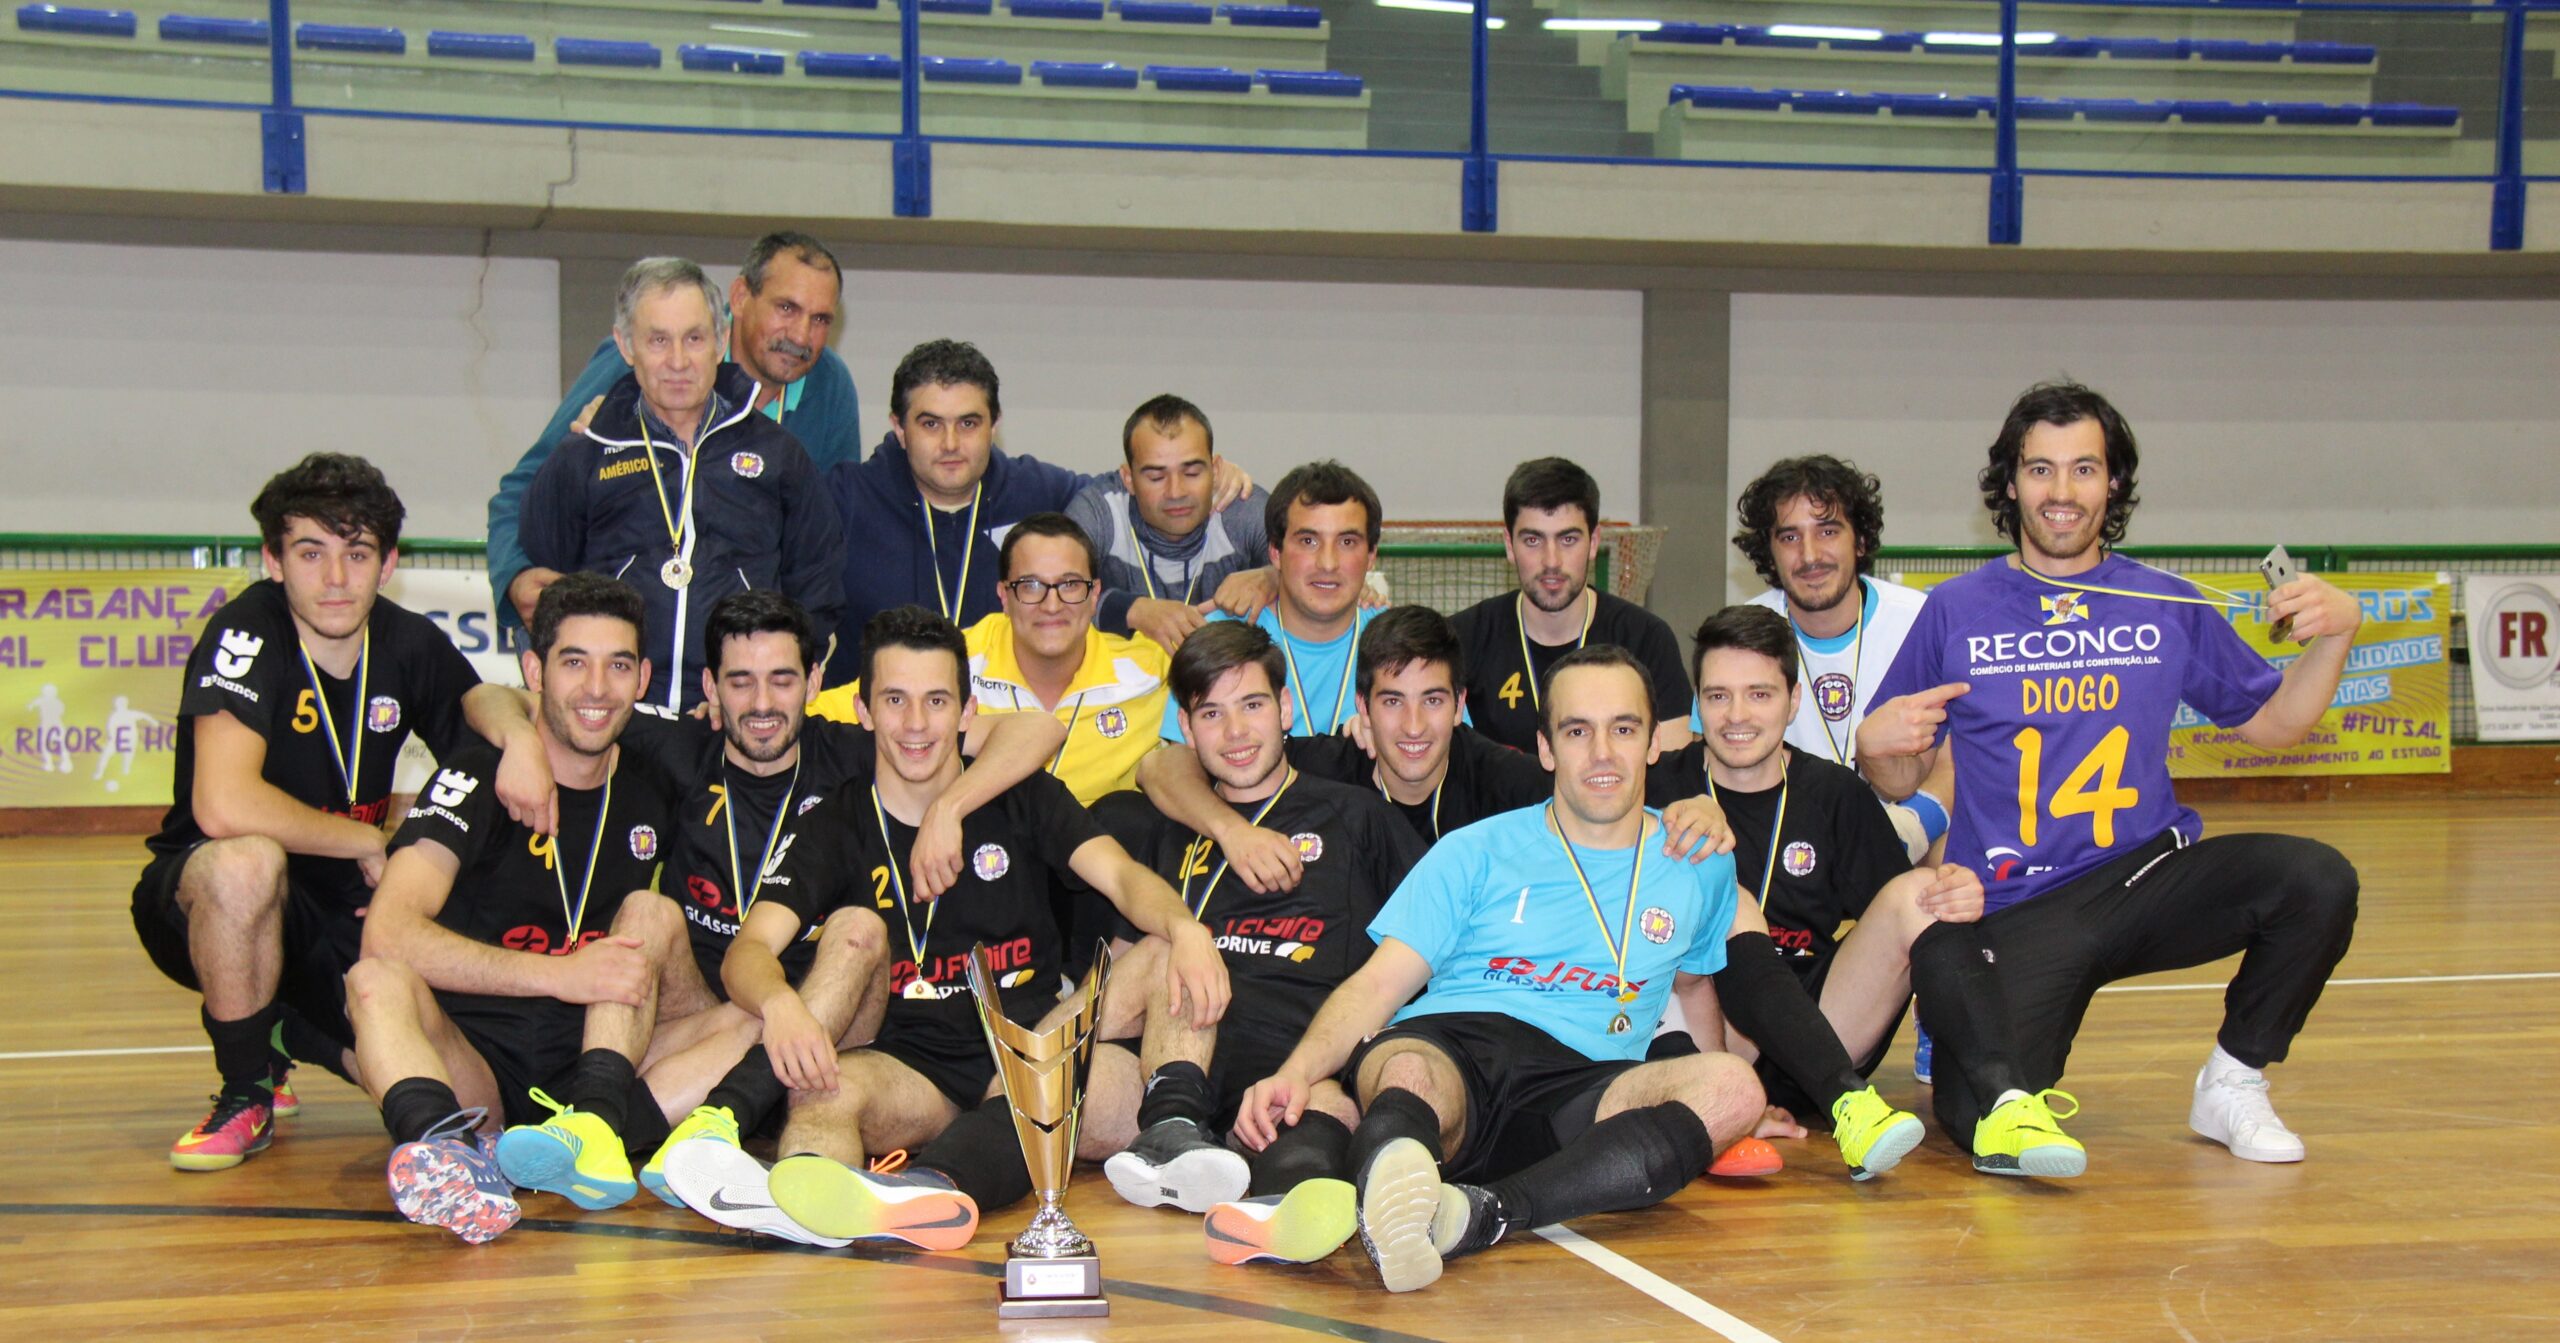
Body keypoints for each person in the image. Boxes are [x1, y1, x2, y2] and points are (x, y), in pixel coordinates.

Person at [1234, 647, 1922, 1293]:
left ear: (1656, 742)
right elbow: (1378, 985)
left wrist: (1725, 1114)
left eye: (1623, 729)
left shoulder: (1697, 861)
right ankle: (1387, 1176)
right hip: (1455, 1048)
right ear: (1544, 747)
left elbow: (1693, 985)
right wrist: (1295, 1073)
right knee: (1405, 1071)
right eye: (1577, 731)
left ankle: (1481, 1212)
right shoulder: (1474, 850)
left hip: (1584, 1084)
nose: (1601, 753)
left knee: (1732, 1086)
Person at [1860, 380, 2363, 1171]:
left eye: (2084, 469)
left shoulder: (2165, 601)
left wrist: (2335, 638)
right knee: (1971, 1112)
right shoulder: (1955, 609)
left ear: (2114, 482)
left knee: (2316, 879)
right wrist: (1876, 743)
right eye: (2041, 470)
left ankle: (2232, 1081)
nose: (2062, 492)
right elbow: (1895, 778)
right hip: (2012, 905)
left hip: (2143, 876)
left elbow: (2273, 723)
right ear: (2011, 482)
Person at [653, 606, 1227, 1249]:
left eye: (935, 701)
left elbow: (1122, 879)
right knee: (824, 1094)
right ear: (864, 711)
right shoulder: (835, 822)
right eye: (895, 700)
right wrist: (780, 1002)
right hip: (912, 1067)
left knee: (1139, 980)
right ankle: (808, 1200)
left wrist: (1189, 928)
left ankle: (927, 1186)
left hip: (1033, 1040)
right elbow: (749, 950)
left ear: (966, 712)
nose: (916, 724)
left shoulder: (1023, 797)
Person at [131, 453, 540, 1172]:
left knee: (396, 1065)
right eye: (310, 552)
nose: (334, 578)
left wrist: (518, 738)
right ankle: (244, 1089)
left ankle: (284, 1036)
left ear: (386, 565)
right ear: (273, 560)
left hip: (342, 904)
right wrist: (363, 836)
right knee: (246, 863)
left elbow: (478, 704)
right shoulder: (246, 631)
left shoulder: (404, 638)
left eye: (356, 554)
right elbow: (222, 803)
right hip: (204, 895)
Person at [347, 574, 692, 1242]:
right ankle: (449, 1158)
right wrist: (559, 975)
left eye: (618, 665)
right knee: (373, 981)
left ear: (644, 676)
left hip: (605, 1060)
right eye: (574, 662)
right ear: (534, 669)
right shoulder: (475, 774)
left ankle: (598, 1127)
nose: (597, 688)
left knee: (680, 938)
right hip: (479, 1073)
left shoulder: (658, 782)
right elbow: (386, 933)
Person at [1069, 622, 1427, 1240]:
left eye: (1253, 706)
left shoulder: (1356, 817)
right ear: (1187, 727)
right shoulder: (1171, 824)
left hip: (1291, 1075)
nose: (1235, 733)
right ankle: (950, 1171)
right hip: (1165, 1070)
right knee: (1061, 1090)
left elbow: (1423, 949)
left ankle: (1260, 1208)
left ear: (1285, 708)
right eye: (1212, 713)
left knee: (1330, 1111)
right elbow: (1122, 968)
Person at [1648, 606, 1992, 1151]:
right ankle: (1740, 1102)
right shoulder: (1656, 789)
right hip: (1703, 1037)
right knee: (1724, 905)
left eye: (1759, 694)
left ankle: (2003, 1101)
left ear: (1793, 702)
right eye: (1718, 696)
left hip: (1820, 1031)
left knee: (1921, 895)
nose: (1737, 715)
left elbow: (1904, 921)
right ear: (1697, 704)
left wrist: (1954, 892)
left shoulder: (1834, 793)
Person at [489, 232, 861, 631]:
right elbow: (529, 483)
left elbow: (828, 540)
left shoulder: (830, 385)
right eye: (786, 308)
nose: (802, 336)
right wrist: (516, 574)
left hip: (742, 660)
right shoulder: (639, 367)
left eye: (821, 319)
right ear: (739, 298)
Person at [519, 256, 844, 713]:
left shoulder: (780, 456)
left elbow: (817, 592)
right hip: (617, 723)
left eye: (694, 338)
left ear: (721, 342)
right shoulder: (584, 455)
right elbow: (545, 592)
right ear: (626, 346)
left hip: (732, 722)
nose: (677, 361)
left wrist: (763, 698)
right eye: (658, 340)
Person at [825, 342, 1251, 684]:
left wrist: (1212, 476)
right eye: (931, 424)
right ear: (899, 427)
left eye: (969, 423)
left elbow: (1147, 486)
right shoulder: (845, 499)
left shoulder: (1039, 491)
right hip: (871, 735)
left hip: (1005, 731)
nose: (951, 443)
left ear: (995, 425)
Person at [811, 513, 1169, 806]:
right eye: (1030, 585)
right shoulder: (949, 660)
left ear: (1095, 596)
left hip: (1093, 868)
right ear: (1003, 595)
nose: (1051, 604)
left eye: (1070, 584)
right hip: (981, 864)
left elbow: (1219, 663)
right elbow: (815, 716)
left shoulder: (1150, 670)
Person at [1733, 454, 1954, 865]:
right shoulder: (1740, 638)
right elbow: (1707, 758)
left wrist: (1911, 827)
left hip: (1907, 841)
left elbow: (1968, 750)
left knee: (1950, 864)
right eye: (1789, 537)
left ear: (1861, 540)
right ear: (1769, 549)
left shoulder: (1923, 621)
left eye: (1828, 530)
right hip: (1784, 852)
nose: (1810, 555)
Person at [1452, 458, 1692, 756]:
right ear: (1509, 545)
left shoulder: (1646, 638)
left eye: (1568, 539)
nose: (1551, 561)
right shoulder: (1462, 638)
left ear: (1594, 542)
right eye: (1532, 540)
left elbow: (1674, 768)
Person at [1163, 461, 1384, 745]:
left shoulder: (1401, 644)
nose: (1328, 563)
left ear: (1370, 556)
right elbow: (1173, 765)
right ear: (1275, 552)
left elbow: (1452, 754)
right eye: (1308, 541)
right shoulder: (1218, 639)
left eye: (1347, 542)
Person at [1065, 394, 1272, 651]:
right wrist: (1133, 609)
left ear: (1216, 469)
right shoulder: (1100, 512)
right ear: (1128, 478)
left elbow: (1318, 577)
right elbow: (1056, 596)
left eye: (1192, 473)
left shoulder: (1242, 509)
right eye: (1155, 477)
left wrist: (1274, 577)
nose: (1176, 492)